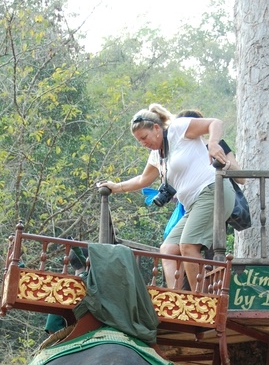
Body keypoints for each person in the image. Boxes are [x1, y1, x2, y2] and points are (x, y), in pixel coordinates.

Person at [97, 103, 236, 290]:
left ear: (156, 128)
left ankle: (201, 301)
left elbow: (215, 123)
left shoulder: (178, 130)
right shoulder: (157, 155)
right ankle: (177, 297)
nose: (144, 143)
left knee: (187, 245)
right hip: (193, 205)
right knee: (168, 249)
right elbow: (143, 180)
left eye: (144, 137)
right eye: (140, 141)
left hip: (213, 192)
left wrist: (212, 143)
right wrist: (115, 187)